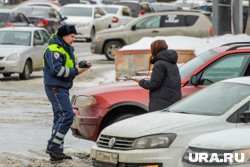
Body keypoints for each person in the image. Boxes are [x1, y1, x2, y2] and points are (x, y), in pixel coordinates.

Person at [43, 24, 91, 161]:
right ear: (63, 36)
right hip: (55, 86)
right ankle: (53, 146)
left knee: (60, 117)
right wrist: (76, 70)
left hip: (62, 86)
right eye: (72, 36)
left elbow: (68, 66)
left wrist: (81, 65)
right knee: (67, 115)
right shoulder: (54, 49)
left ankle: (57, 150)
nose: (74, 39)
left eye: (75, 36)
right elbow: (57, 70)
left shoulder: (66, 48)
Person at [138, 40, 182, 112]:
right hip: (172, 100)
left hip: (161, 103)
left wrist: (141, 82)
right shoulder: (171, 62)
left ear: (155, 49)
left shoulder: (159, 64)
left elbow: (154, 84)